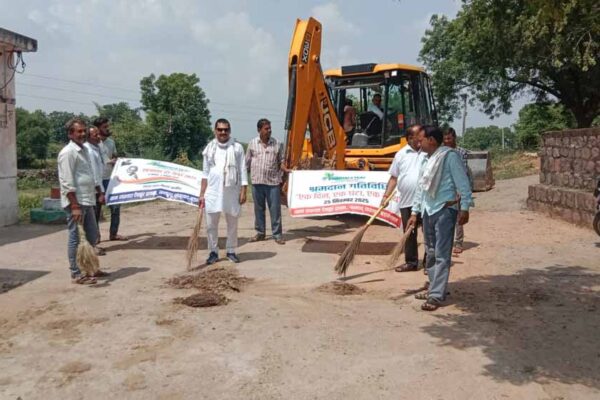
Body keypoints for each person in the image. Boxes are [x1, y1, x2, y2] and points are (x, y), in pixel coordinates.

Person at [406, 125, 472, 311]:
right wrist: (414, 212)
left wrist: (465, 208)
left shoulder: (450, 157)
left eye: (421, 140)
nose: (418, 143)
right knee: (431, 252)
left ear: (432, 140)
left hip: (445, 210)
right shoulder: (426, 160)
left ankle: (435, 295)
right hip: (428, 211)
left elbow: (463, 184)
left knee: (442, 254)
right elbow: (421, 189)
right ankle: (435, 287)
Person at [57, 118, 108, 284]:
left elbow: (91, 174)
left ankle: (91, 267)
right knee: (76, 238)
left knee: (93, 236)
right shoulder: (67, 153)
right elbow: (66, 181)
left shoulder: (84, 150)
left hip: (88, 199)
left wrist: (99, 191)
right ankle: (76, 273)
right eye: (79, 131)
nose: (83, 134)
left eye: (84, 131)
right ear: (70, 134)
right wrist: (74, 205)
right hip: (76, 202)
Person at [199, 118, 248, 264]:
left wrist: (244, 190)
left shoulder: (237, 148)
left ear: (229, 131)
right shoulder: (210, 148)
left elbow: (242, 170)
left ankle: (231, 250)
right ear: (215, 131)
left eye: (226, 130)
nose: (223, 132)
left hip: (231, 190)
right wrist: (202, 194)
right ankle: (213, 252)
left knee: (232, 223)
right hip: (213, 191)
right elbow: (205, 173)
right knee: (210, 225)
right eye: (220, 129)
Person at [381, 124, 425, 272]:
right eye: (419, 135)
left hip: (426, 201)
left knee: (429, 232)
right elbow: (394, 178)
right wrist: (385, 196)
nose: (422, 138)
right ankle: (411, 262)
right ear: (410, 138)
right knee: (409, 233)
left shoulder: (427, 152)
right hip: (407, 201)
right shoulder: (401, 154)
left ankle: (429, 262)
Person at [246, 118, 286, 245]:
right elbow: (247, 163)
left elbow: (281, 161)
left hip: (273, 183)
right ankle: (260, 233)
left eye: (270, 128)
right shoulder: (252, 143)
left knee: (275, 210)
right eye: (266, 128)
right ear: (259, 130)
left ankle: (277, 234)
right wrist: (243, 181)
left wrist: (285, 170)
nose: (269, 131)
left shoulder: (277, 144)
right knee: (259, 209)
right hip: (257, 182)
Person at [95, 117, 128, 241]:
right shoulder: (92, 144)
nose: (107, 129)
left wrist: (118, 163)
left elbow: (114, 157)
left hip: (110, 178)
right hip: (97, 180)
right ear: (97, 129)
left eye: (107, 126)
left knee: (115, 207)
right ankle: (95, 236)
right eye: (104, 127)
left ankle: (113, 234)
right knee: (96, 209)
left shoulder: (111, 142)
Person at [443, 127, 472, 255]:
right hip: (447, 189)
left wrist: (460, 189)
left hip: (458, 188)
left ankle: (458, 242)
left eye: (449, 138)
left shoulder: (461, 152)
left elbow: (463, 172)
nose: (446, 141)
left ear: (454, 138)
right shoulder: (441, 152)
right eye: (444, 139)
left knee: (458, 216)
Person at [83, 126, 106, 255]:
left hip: (95, 188)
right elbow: (94, 173)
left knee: (94, 218)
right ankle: (92, 245)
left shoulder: (96, 148)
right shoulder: (89, 151)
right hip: (94, 189)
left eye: (98, 134)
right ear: (88, 137)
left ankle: (93, 243)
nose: (98, 137)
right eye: (95, 135)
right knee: (92, 220)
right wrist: (100, 192)